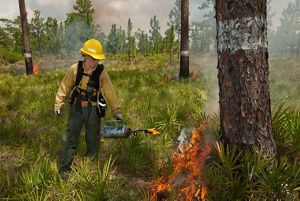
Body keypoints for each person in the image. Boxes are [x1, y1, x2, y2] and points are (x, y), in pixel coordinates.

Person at [54, 38, 123, 178]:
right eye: (92, 59)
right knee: (71, 138)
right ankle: (64, 170)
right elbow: (64, 86)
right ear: (85, 56)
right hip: (77, 108)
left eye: (97, 60)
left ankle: (90, 169)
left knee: (93, 139)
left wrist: (117, 111)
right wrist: (58, 104)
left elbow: (110, 91)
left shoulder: (101, 72)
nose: (94, 63)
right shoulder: (75, 69)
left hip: (93, 109)